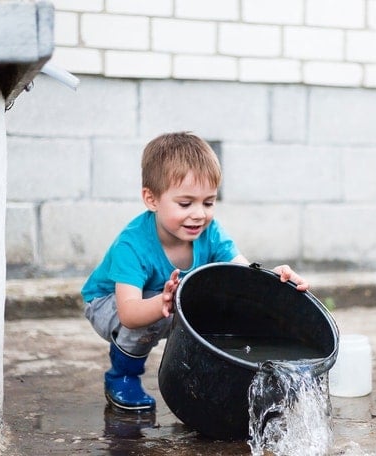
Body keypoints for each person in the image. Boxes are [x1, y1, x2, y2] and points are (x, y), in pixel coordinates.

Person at [81, 131, 309, 413]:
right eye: (185, 203)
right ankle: (123, 376)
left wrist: (275, 279)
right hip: (109, 304)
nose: (199, 214)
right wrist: (161, 303)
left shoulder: (209, 232)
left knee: (217, 299)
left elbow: (243, 276)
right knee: (153, 318)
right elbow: (129, 313)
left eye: (208, 202)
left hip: (165, 296)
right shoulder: (133, 245)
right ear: (151, 199)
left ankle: (201, 371)